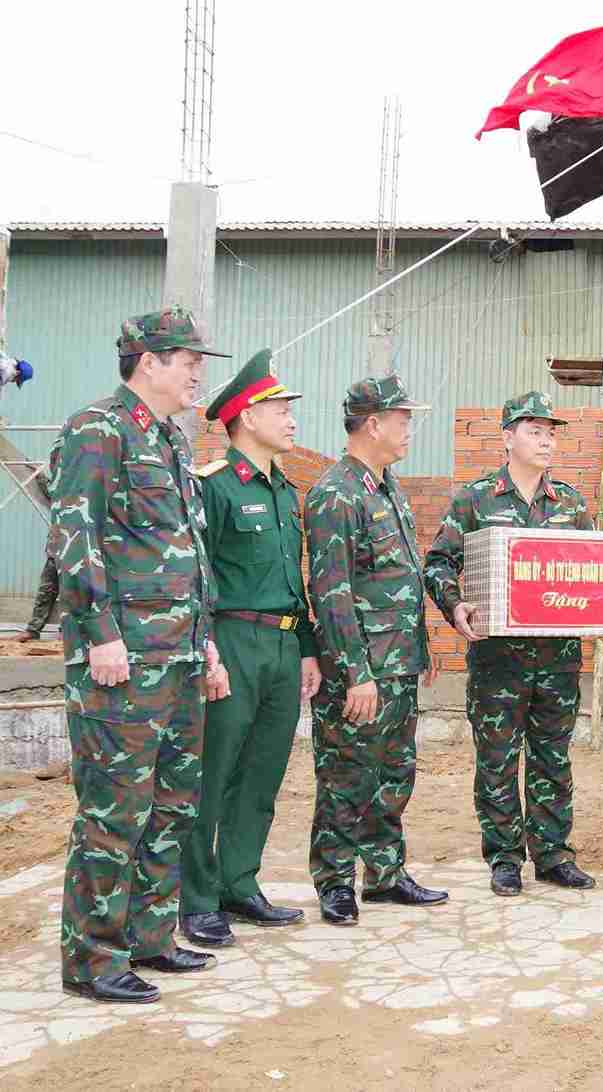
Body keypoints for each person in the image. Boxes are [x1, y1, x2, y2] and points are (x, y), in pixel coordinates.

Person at [55, 306, 230, 1004]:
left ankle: (151, 937)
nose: (195, 374)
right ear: (149, 361)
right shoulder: (97, 429)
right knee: (114, 811)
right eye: (187, 361)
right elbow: (76, 535)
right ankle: (93, 959)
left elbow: (187, 550)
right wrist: (100, 633)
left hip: (178, 659)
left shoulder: (171, 442)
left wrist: (205, 639)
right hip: (122, 661)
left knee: (171, 807)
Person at [425, 392, 602, 896]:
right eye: (534, 430)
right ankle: (504, 857)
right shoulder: (475, 500)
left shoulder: (570, 502)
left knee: (553, 757)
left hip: (559, 657)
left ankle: (552, 854)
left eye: (551, 432)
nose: (546, 439)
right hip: (498, 658)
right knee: (498, 759)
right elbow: (439, 562)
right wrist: (454, 607)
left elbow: (590, 567)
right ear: (507, 437)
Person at [181, 351, 321, 949]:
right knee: (214, 773)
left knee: (262, 772)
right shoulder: (214, 487)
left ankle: (240, 881)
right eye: (279, 408)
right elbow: (194, 576)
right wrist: (205, 647)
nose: (290, 419)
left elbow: (296, 576)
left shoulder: (288, 493)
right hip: (232, 639)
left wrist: (309, 648)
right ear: (244, 417)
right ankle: (197, 897)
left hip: (285, 645)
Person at [305, 375, 443, 925]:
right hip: (359, 671)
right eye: (403, 420)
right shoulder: (335, 494)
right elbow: (332, 594)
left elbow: (401, 577)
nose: (409, 429)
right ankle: (335, 880)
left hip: (399, 662)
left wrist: (423, 643)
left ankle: (384, 874)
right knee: (346, 775)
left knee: (394, 772)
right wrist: (357, 673)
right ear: (373, 424)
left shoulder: (387, 487)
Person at [20, 439, 62, 642]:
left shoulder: (85, 489)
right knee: (46, 590)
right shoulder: (59, 490)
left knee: (73, 594)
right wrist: (33, 468)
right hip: (55, 549)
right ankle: (33, 629)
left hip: (78, 552)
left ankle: (67, 632)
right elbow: (44, 483)